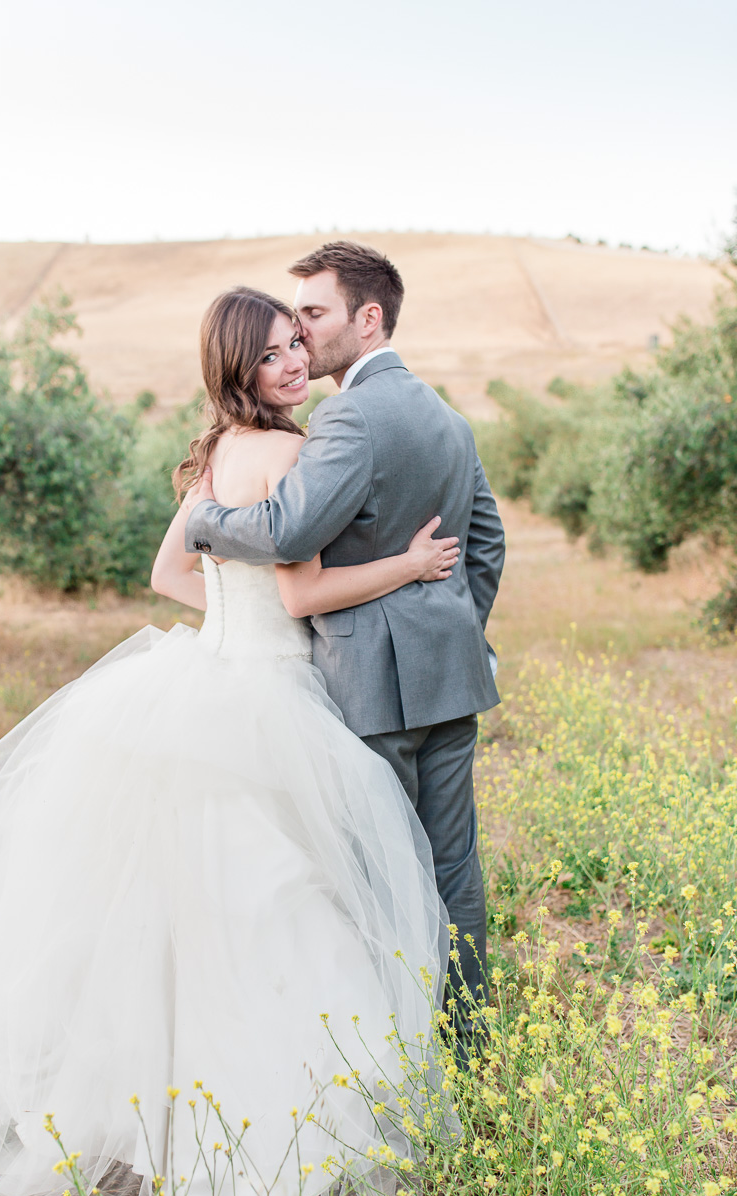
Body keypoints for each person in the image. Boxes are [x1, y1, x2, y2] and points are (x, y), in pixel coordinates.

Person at [0, 285, 459, 1196]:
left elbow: (167, 571)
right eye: (268, 355)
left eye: (291, 346)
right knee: (270, 913)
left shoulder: (217, 448)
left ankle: (154, 1133)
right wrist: (404, 564)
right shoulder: (287, 453)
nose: (290, 364)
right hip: (262, 695)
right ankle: (263, 1147)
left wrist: (234, 610)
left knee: (179, 918)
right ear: (237, 368)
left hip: (201, 674)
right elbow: (305, 593)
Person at [184, 242, 505, 1048]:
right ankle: (465, 1041)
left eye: (314, 317)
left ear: (368, 319)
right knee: (454, 865)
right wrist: (455, 632)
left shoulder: (348, 416)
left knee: (377, 874)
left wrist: (207, 522)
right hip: (450, 679)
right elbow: (488, 543)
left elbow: (288, 528)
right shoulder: (447, 416)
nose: (302, 334)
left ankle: (393, 1047)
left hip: (368, 682)